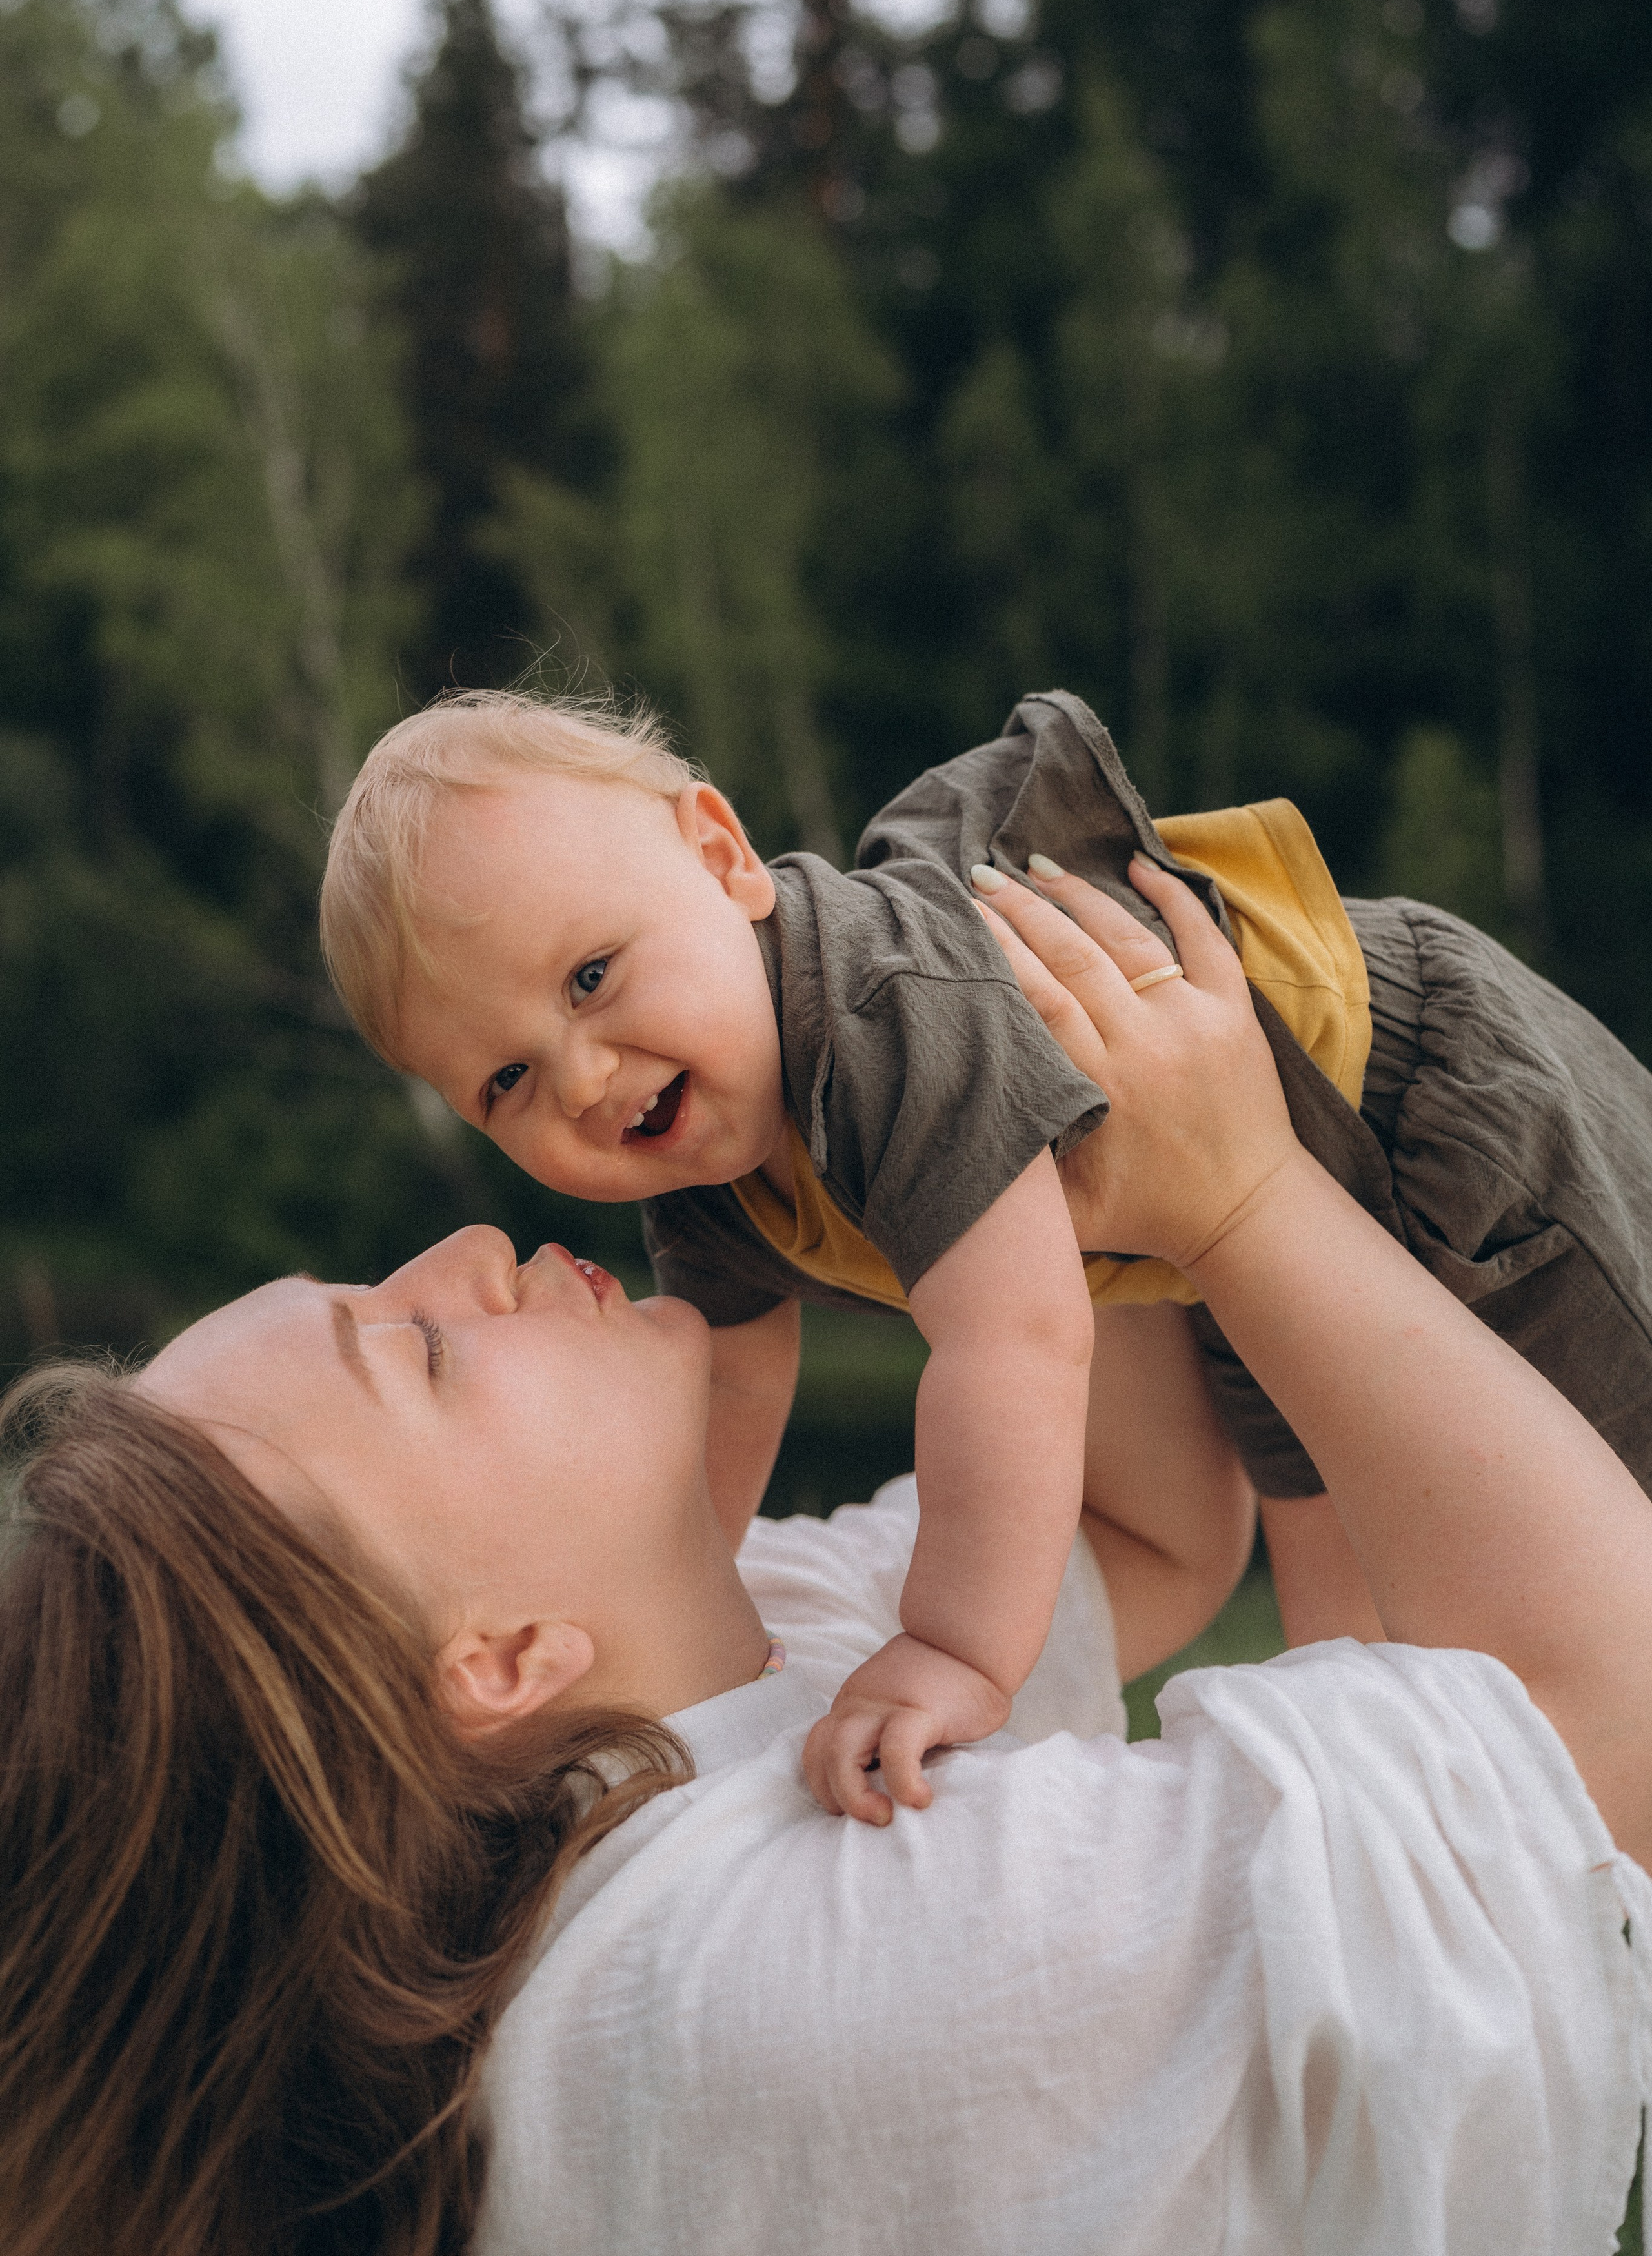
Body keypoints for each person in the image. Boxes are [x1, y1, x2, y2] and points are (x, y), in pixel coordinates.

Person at [3, 857, 1649, 2254]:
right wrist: (1237, 1199)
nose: (463, 1252)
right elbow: (1599, 1740)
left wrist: (977, 1102)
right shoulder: (789, 1996)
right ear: (495, 1661)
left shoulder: (679, 1728)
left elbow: (1130, 1533)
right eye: (413, 1352)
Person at [319, 686, 1652, 1755]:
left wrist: (953, 1649)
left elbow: (1014, 1342)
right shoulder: (705, 1168)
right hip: (1223, 1251)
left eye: (593, 976)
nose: (586, 1080)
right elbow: (721, 1389)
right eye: (506, 1082)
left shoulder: (882, 1011)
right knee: (1353, 1634)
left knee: (1605, 1503)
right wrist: (683, 1624)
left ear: (720, 860)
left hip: (1419, 1110)